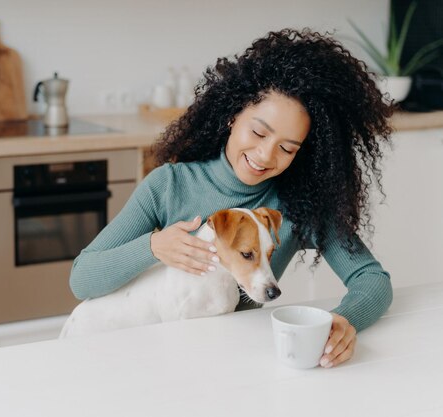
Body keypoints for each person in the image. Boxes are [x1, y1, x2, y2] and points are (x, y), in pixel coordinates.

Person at [69, 28, 394, 368]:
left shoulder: (299, 205)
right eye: (258, 132)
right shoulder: (169, 185)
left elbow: (371, 280)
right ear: (232, 115)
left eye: (287, 148)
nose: (266, 155)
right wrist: (153, 247)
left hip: (225, 364)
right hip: (139, 358)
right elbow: (82, 279)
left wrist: (343, 320)